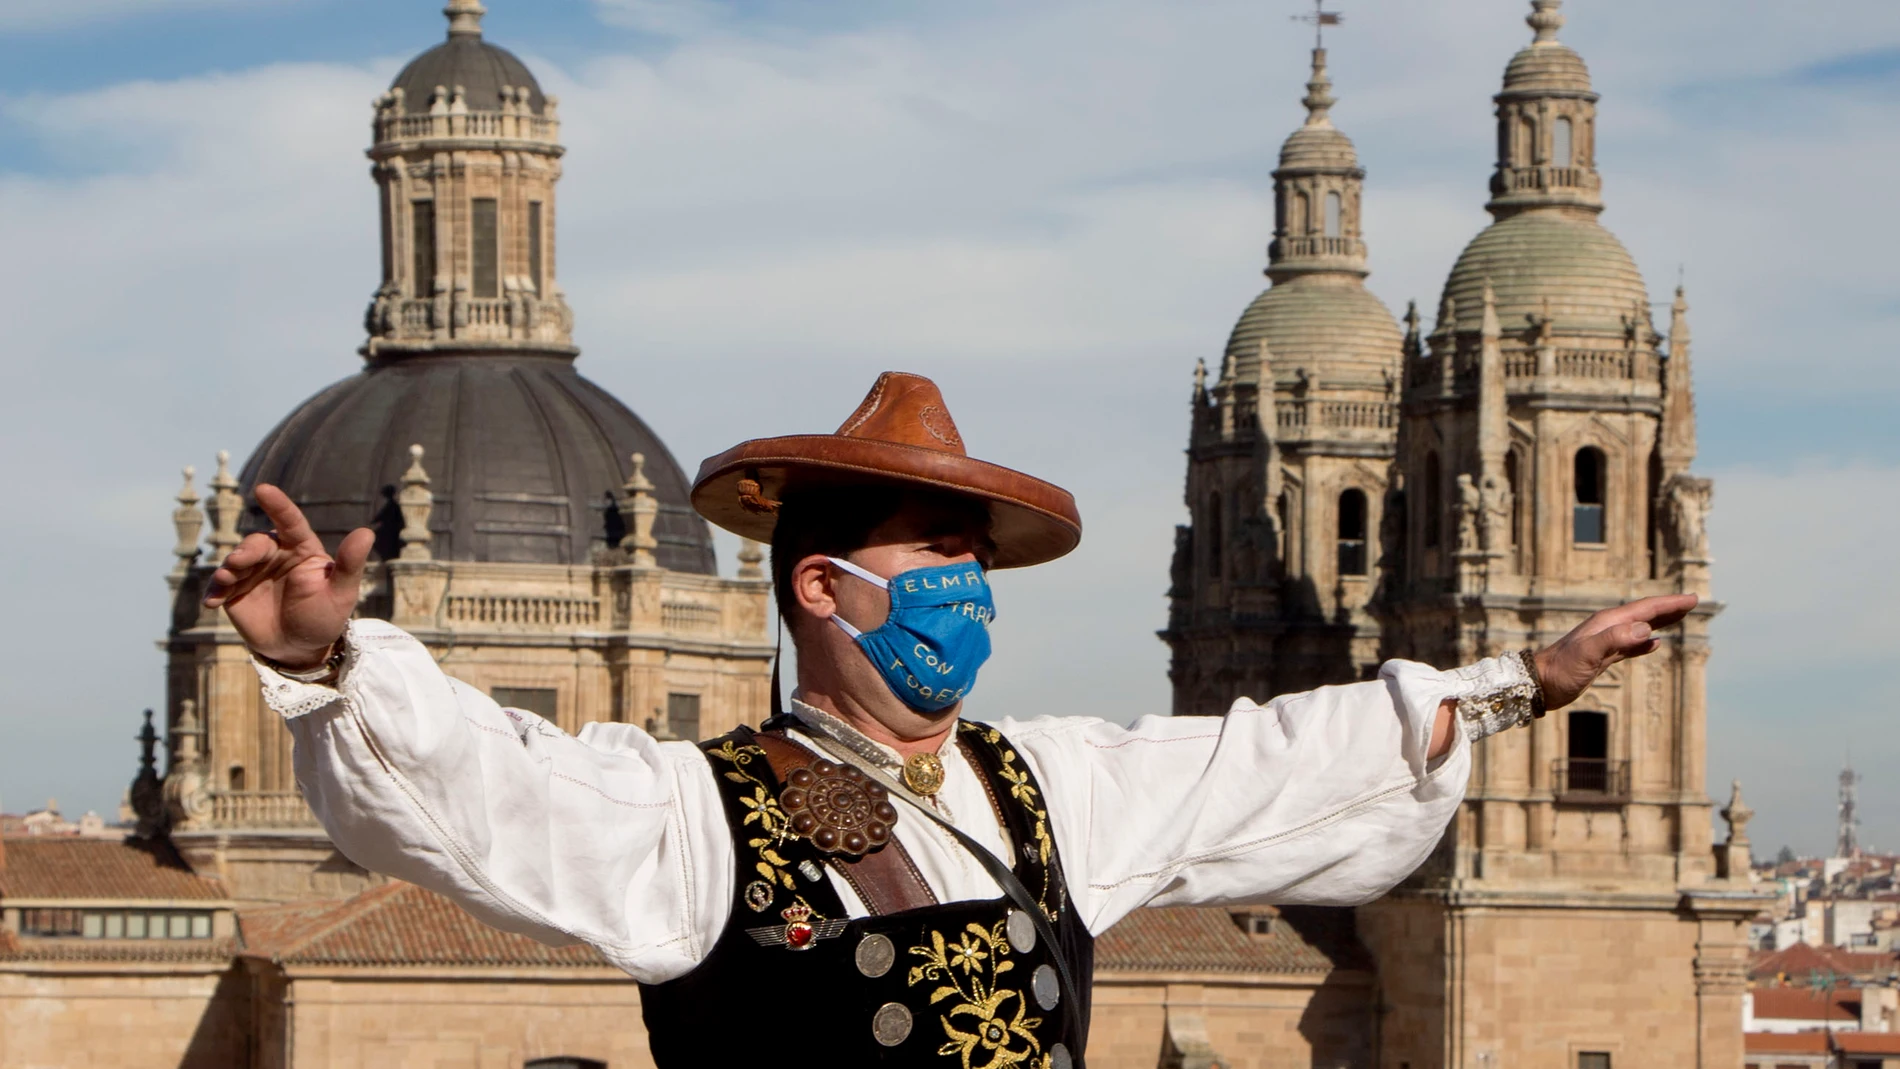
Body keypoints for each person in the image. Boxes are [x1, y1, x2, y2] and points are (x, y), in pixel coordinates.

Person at [208, 371, 1692, 1069]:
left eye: (979, 561)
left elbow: (1266, 765)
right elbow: (485, 783)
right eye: (936, 558)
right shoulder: (686, 817)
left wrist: (1523, 682)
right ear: (823, 588)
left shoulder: (1052, 788)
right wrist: (337, 667)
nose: (968, 590)